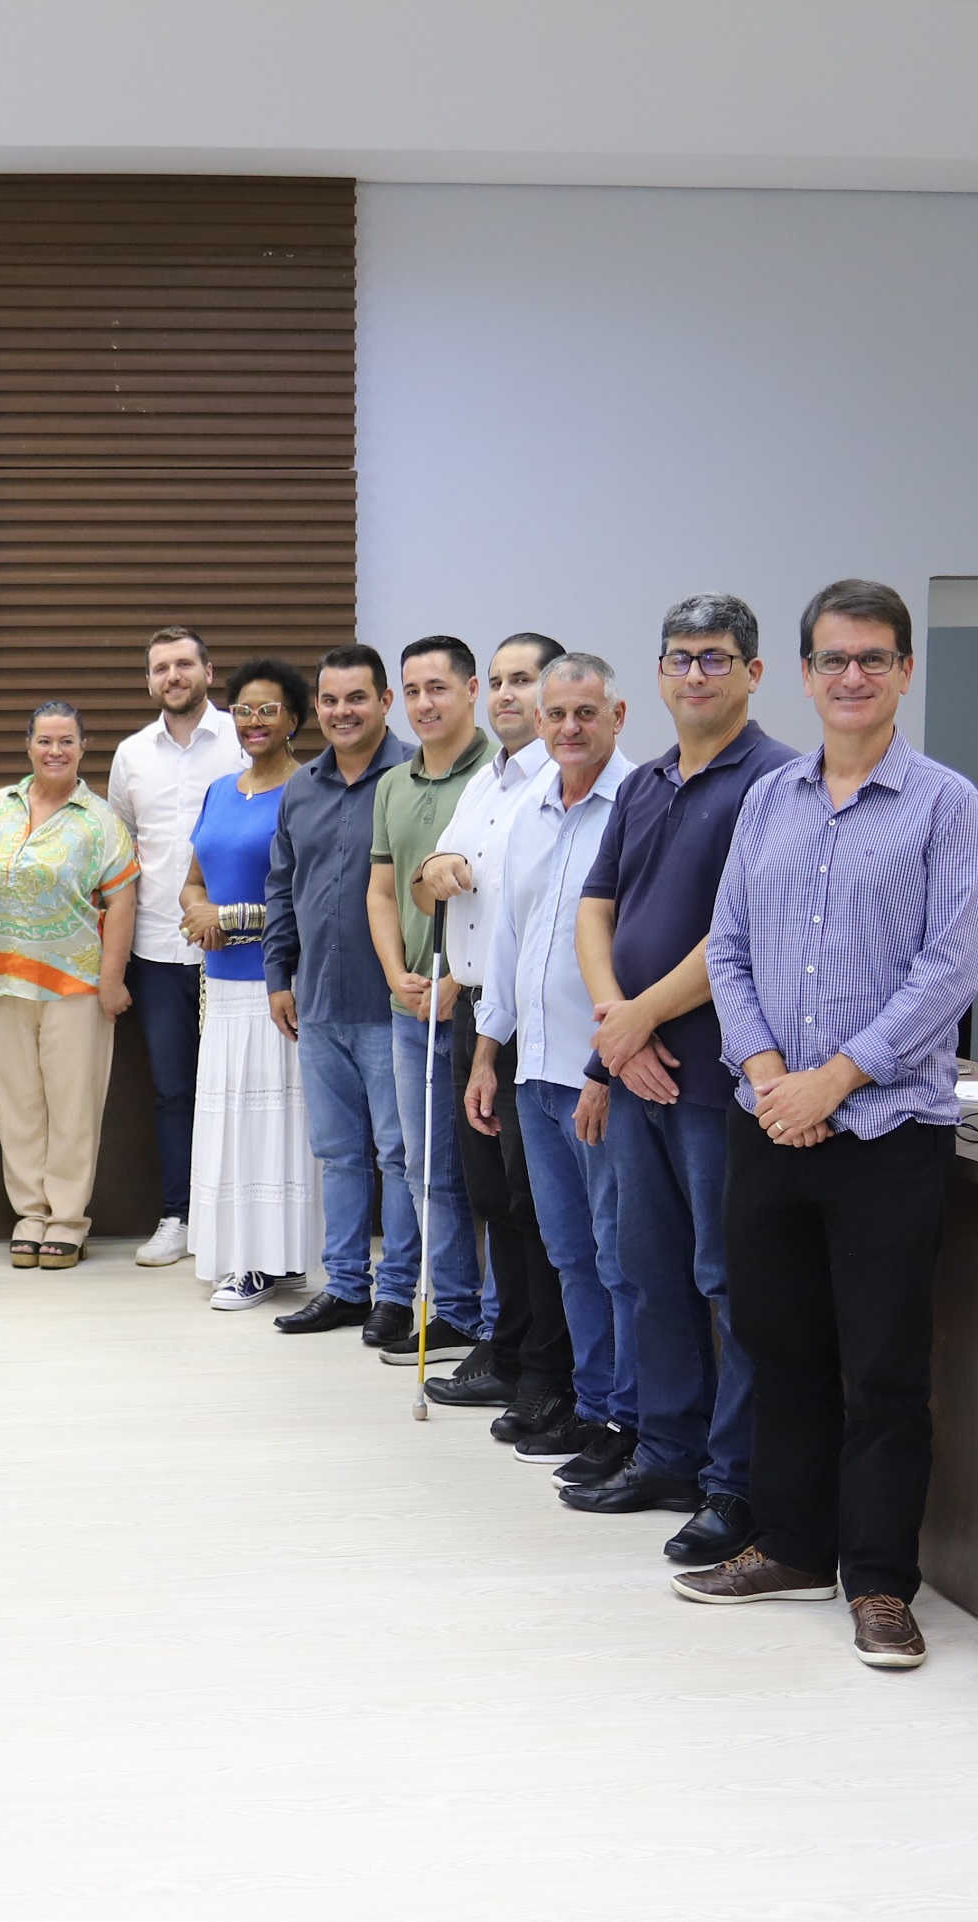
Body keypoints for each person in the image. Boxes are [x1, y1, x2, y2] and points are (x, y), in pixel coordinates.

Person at [680, 579, 978, 1674]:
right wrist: (772, 1075)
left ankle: (878, 1582)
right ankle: (793, 1545)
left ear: (904, 670)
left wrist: (835, 1080)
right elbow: (726, 949)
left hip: (886, 1135)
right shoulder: (769, 799)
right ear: (805, 674)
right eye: (831, 659)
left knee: (883, 1371)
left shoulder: (945, 804)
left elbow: (949, 969)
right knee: (779, 1351)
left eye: (871, 658)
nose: (850, 676)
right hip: (768, 1121)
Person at [579, 595, 800, 1559]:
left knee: (727, 1282)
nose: (695, 674)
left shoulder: (780, 781)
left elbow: (740, 929)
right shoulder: (645, 782)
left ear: (752, 672)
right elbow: (595, 909)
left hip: (718, 1078)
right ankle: (666, 1452)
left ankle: (734, 1482)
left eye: (714, 658)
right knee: (650, 1272)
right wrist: (616, 1028)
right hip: (636, 1072)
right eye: (679, 657)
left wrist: (641, 1017)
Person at [464, 657, 634, 1485]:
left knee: (616, 1257)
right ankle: (589, 1403)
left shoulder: (637, 805)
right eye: (555, 714)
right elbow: (508, 939)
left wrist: (606, 1064)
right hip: (531, 1068)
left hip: (600, 1070)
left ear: (616, 716)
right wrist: (486, 1053)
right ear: (539, 722)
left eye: (585, 713)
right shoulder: (528, 809)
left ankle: (627, 1416)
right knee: (566, 1250)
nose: (568, 728)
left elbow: (639, 948)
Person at [410, 634, 564, 1412]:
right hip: (472, 1009)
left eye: (522, 679)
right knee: (493, 1196)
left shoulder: (561, 782)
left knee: (534, 1201)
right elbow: (426, 884)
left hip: (531, 1018)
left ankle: (543, 1367)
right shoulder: (483, 783)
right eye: (497, 680)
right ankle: (507, 1350)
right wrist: (431, 871)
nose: (505, 694)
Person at [266, 646, 420, 1340]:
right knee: (336, 1154)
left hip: (391, 1005)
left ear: (384, 701)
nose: (341, 712)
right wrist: (279, 976)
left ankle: (398, 1292)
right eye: (329, 700)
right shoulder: (300, 787)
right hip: (318, 1003)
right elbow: (281, 886)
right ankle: (346, 1286)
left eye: (356, 697)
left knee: (399, 1156)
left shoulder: (414, 776)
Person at [362, 634, 495, 1368]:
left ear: (471, 690)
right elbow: (383, 891)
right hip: (410, 1006)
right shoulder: (392, 783)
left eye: (437, 688)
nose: (423, 703)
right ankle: (455, 1312)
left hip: (479, 1007)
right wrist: (396, 974)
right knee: (426, 1171)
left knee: (493, 1175)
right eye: (411, 691)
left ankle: (501, 1323)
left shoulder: (499, 774)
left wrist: (458, 982)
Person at [0, 702, 139, 1269]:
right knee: (17, 1104)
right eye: (45, 740)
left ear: (83, 747)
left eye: (66, 741)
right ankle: (30, 1213)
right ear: (28, 745)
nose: (55, 751)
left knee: (72, 1106)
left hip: (78, 984)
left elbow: (122, 902)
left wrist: (112, 980)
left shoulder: (101, 820)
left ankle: (67, 1218)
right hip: (5, 981)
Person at [178, 658, 318, 1308]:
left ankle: (268, 1262)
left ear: (294, 718)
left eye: (267, 709)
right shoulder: (218, 791)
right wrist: (196, 912)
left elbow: (311, 900)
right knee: (228, 1127)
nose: (253, 721)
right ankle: (240, 1255)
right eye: (242, 710)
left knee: (274, 1129)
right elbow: (193, 880)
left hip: (279, 986)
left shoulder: (307, 789)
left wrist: (226, 918)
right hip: (221, 989)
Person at [106, 626, 244, 1268]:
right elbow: (120, 852)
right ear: (149, 681)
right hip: (158, 949)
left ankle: (238, 1220)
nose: (173, 676)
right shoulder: (131, 755)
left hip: (238, 946)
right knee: (172, 1091)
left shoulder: (244, 739)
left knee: (240, 1088)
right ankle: (179, 1216)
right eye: (161, 667)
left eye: (184, 664)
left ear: (208, 672)